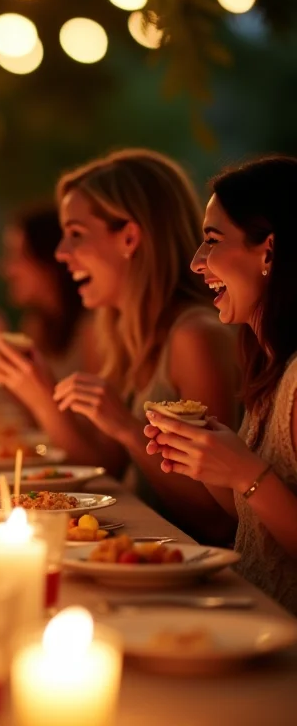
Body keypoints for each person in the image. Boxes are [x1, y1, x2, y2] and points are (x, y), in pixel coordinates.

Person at [0, 149, 240, 544]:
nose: (60, 253)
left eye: (75, 234)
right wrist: (37, 394)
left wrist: (125, 425)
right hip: (132, 547)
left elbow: (220, 520)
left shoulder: (195, 336)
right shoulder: (123, 331)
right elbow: (102, 467)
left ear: (129, 237)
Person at [145, 156, 297, 614]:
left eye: (212, 241)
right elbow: (254, 523)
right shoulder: (268, 364)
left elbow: (256, 490)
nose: (197, 263)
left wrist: (243, 472)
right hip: (248, 619)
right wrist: (204, 459)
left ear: (269, 250)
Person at [0, 202, 98, 380]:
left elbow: (75, 408)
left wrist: (4, 357)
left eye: (17, 256)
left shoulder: (93, 331)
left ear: (50, 262)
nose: (5, 269)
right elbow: (24, 407)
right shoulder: (37, 325)